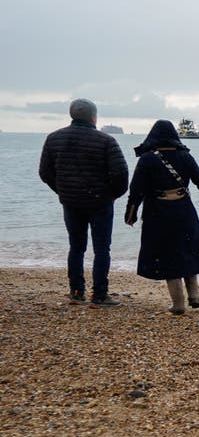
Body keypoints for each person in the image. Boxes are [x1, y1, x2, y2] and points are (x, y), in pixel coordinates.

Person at [38, 98, 130, 307]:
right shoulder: (106, 141)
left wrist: (62, 190)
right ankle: (99, 294)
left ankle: (77, 291)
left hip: (71, 202)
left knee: (76, 247)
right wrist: (113, 195)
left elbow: (45, 173)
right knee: (101, 249)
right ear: (93, 117)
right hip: (100, 203)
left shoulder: (54, 139)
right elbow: (121, 174)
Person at [124, 119, 199, 315]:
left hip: (159, 211)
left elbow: (136, 191)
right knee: (188, 249)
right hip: (184, 209)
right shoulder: (185, 156)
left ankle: (178, 304)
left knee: (168, 254)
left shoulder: (147, 159)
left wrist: (131, 215)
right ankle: (194, 296)